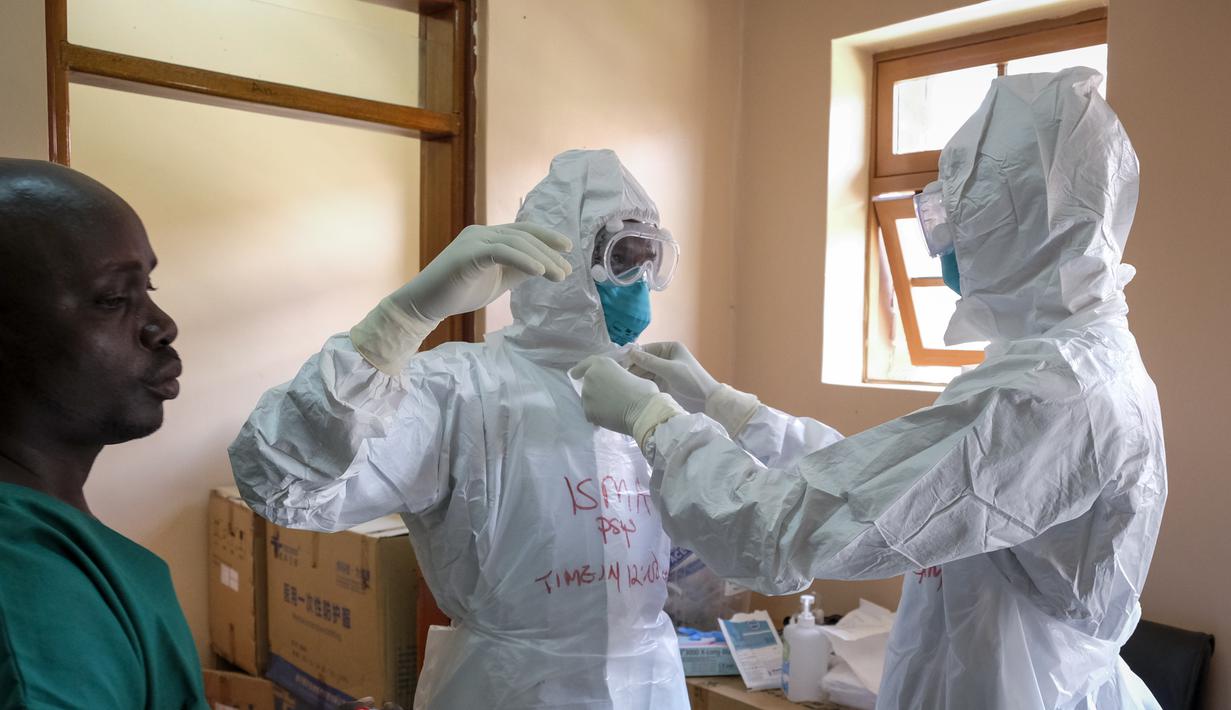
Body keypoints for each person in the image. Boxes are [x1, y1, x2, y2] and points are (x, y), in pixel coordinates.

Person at [574, 68, 1166, 709]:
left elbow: (785, 528)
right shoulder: (1048, 368)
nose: (942, 246)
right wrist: (727, 408)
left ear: (1020, 229)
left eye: (958, 219)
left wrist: (655, 423)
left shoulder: (1055, 393)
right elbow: (874, 483)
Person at [229, 149, 690, 709]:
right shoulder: (459, 389)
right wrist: (400, 321)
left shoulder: (649, 391)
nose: (639, 281)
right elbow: (279, 481)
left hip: (652, 687)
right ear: (562, 261)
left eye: (650, 261)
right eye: (621, 258)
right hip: (506, 692)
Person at [0, 159, 207, 709]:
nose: (162, 326)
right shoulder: (30, 590)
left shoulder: (46, 532)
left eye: (149, 286)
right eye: (114, 299)